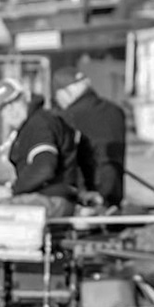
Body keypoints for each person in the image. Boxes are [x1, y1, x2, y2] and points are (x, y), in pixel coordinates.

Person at [0, 79, 88, 216]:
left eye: (14, 102)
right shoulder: (30, 125)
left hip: (52, 199)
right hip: (43, 197)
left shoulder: (39, 124)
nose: (11, 111)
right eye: (4, 108)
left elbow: (44, 167)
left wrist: (10, 190)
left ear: (26, 97)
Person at [53, 68, 129, 210]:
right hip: (114, 194)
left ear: (65, 92)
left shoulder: (67, 117)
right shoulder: (115, 111)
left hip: (87, 198)